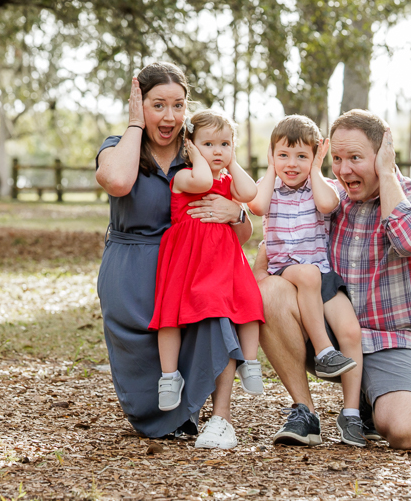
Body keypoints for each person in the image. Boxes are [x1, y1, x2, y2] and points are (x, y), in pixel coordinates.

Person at [255, 109, 411, 450]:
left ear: (383, 154)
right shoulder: (329, 198)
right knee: (271, 290)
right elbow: (280, 239)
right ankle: (304, 412)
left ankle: (368, 402)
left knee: (407, 430)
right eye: (338, 159)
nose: (344, 170)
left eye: (355, 158)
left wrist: (386, 175)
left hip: (392, 341)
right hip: (328, 336)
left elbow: (410, 241)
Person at [95, 62, 252, 446]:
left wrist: (236, 213)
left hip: (190, 266)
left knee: (216, 315)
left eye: (178, 105)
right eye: (157, 105)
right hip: (131, 269)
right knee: (153, 402)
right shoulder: (119, 147)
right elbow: (118, 182)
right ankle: (169, 413)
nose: (169, 117)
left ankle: (221, 418)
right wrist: (135, 125)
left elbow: (243, 236)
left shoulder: (200, 153)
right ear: (140, 105)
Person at [247, 115, 365, 446]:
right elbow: (257, 206)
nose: (292, 164)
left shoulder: (322, 186)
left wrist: (315, 170)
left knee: (351, 332)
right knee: (307, 273)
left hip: (322, 273)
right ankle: (324, 351)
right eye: (283, 155)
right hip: (285, 269)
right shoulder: (269, 185)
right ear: (272, 155)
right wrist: (270, 169)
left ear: (315, 157)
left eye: (302, 156)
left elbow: (328, 204)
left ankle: (351, 413)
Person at [150, 110, 265, 435]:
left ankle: (250, 362)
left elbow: (249, 193)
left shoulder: (228, 181)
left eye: (225, 144)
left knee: (249, 303)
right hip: (187, 263)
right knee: (169, 316)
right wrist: (195, 155)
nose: (218, 151)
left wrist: (232, 161)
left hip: (223, 262)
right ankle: (169, 376)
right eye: (208, 144)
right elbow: (202, 182)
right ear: (189, 147)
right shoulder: (184, 177)